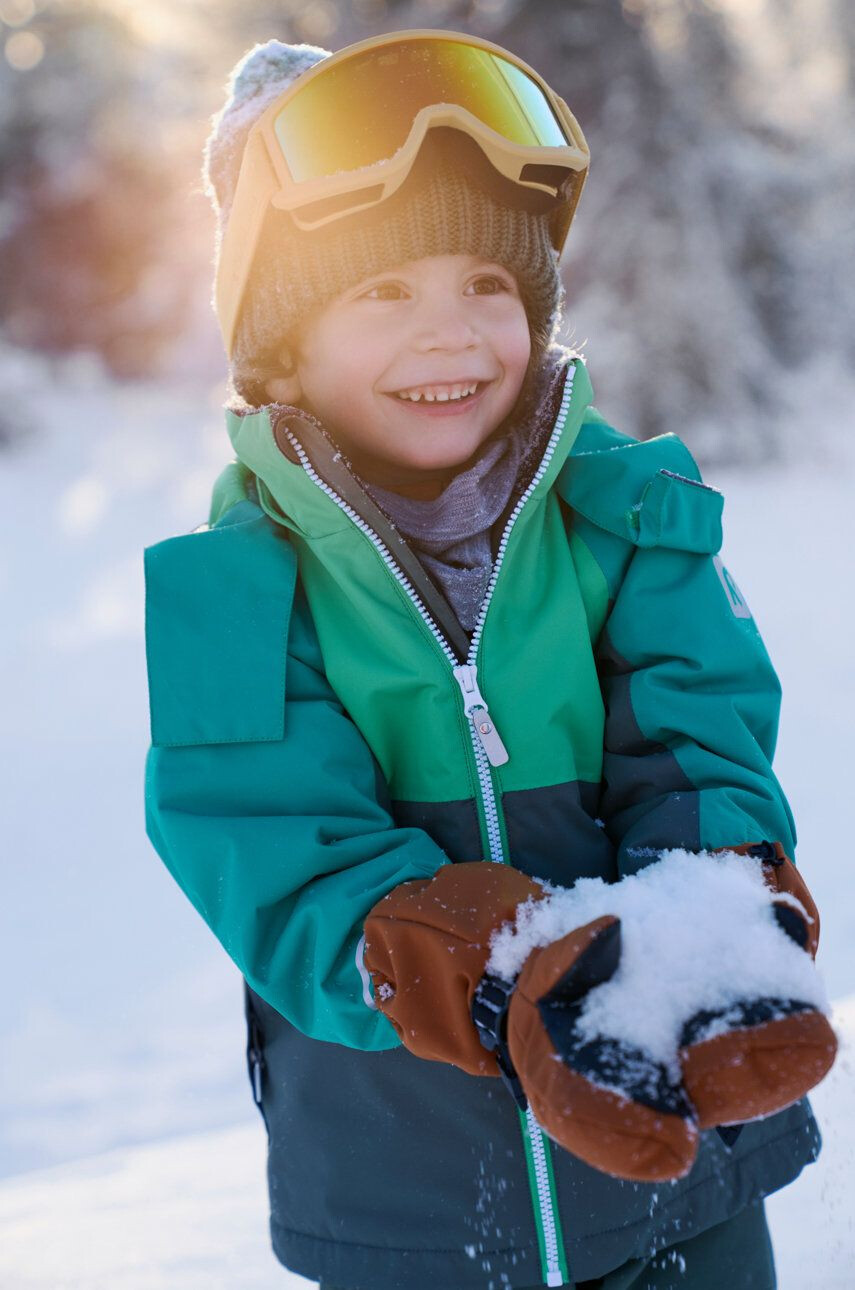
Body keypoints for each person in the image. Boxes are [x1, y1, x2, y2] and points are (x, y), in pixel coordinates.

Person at [143, 30, 833, 1290]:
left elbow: (702, 733)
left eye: (485, 285)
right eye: (383, 293)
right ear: (283, 339)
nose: (450, 335)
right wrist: (507, 984)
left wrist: (718, 918)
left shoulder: (628, 513)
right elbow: (275, 848)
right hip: (413, 1201)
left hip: (687, 1163)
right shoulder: (230, 596)